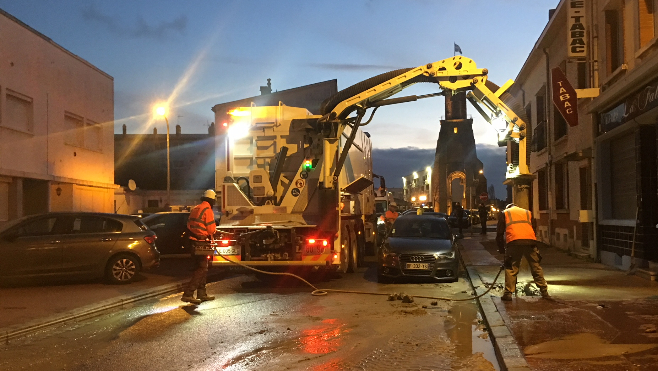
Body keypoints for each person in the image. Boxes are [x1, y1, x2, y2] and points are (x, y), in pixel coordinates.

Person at [496, 203, 550, 301]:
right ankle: (544, 291)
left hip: (514, 241)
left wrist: (501, 249)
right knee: (535, 266)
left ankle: (508, 293)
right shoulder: (527, 212)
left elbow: (499, 233)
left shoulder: (504, 213)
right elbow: (533, 227)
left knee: (511, 267)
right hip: (530, 242)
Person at [181, 189, 218, 304]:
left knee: (200, 267)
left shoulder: (196, 208)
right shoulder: (207, 210)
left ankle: (202, 294)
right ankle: (188, 293)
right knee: (202, 268)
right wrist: (214, 231)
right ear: (212, 200)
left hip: (193, 241)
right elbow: (211, 229)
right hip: (202, 242)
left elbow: (189, 225)